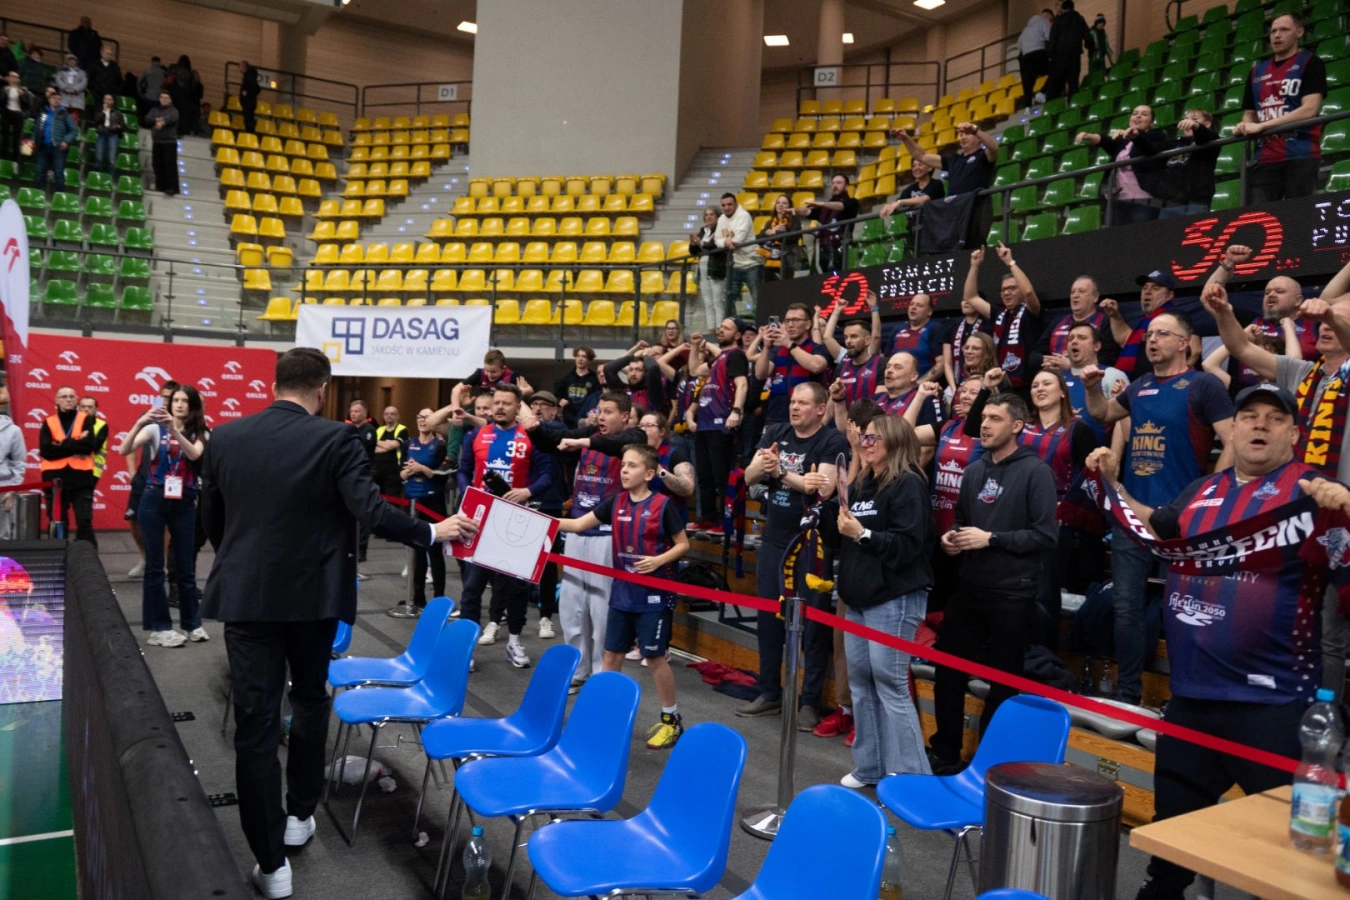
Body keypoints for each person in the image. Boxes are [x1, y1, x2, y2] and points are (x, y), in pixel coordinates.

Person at [200, 348, 468, 900]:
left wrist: (246, 559)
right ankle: (300, 814)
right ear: (322, 389)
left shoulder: (224, 437)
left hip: (247, 597)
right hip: (313, 599)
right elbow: (370, 511)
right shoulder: (337, 438)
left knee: (255, 727)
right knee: (309, 700)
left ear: (275, 383)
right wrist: (431, 533)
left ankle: (271, 864)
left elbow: (212, 521)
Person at [1083, 385, 1350, 900]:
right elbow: (1153, 529)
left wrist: (1349, 513)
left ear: (1294, 435)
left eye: (1274, 418)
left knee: (1290, 860)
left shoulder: (1314, 494)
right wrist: (1113, 482)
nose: (1259, 425)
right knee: (1170, 845)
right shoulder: (1201, 490)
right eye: (1249, 415)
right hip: (1191, 700)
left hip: (1273, 705)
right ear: (1233, 428)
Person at [1199, 283, 1350, 699]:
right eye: (1323, 320)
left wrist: (1328, 313)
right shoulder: (1303, 372)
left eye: (1339, 319)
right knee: (1273, 611)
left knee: (1329, 634)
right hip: (1290, 511)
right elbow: (1240, 349)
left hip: (1340, 515)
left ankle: (1323, 721)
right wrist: (1224, 313)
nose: (1325, 325)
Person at [1081, 312, 1236, 705]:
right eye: (1149, 334)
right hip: (1131, 514)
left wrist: (1209, 495)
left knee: (1186, 611)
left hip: (1180, 520)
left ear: (1184, 343)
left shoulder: (1203, 385)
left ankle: (1184, 699)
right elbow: (1102, 414)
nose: (1151, 340)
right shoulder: (1140, 386)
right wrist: (1092, 389)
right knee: (1125, 608)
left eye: (1162, 334)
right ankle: (1127, 695)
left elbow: (1233, 440)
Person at [929, 392, 1058, 772]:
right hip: (970, 587)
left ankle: (988, 764)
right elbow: (962, 522)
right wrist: (952, 539)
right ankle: (945, 752)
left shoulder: (1036, 472)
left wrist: (993, 539)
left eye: (994, 419)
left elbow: (1046, 535)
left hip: (1012, 592)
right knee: (947, 669)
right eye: (983, 417)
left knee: (1003, 683)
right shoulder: (973, 470)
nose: (984, 425)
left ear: (1017, 426)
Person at [821, 414, 934, 787]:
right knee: (861, 683)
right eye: (863, 438)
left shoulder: (909, 484)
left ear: (895, 442)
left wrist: (863, 534)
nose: (864, 443)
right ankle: (870, 766)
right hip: (858, 599)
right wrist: (824, 504)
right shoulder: (863, 483)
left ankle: (913, 778)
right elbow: (839, 536)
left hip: (894, 598)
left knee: (890, 684)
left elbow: (909, 546)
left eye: (872, 438)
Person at [558, 443, 690, 748]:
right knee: (611, 655)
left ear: (649, 474)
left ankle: (671, 720)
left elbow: (683, 544)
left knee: (654, 658)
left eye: (632, 466)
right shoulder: (615, 502)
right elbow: (577, 524)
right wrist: (538, 520)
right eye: (623, 465)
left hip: (654, 595)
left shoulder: (663, 505)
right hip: (622, 593)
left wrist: (658, 561)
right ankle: (605, 715)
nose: (625, 471)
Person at [741, 383, 846, 730]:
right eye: (793, 402)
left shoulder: (831, 440)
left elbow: (823, 489)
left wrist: (779, 473)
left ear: (821, 409)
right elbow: (749, 476)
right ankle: (770, 692)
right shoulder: (776, 432)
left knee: (813, 624)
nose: (794, 407)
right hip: (774, 538)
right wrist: (773, 470)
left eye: (803, 403)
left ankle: (809, 701)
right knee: (768, 619)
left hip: (813, 543)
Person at [522, 392, 645, 687]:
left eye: (608, 411)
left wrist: (582, 442)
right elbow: (554, 441)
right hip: (578, 529)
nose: (601, 416)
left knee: (601, 610)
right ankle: (578, 671)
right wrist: (534, 429)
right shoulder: (589, 435)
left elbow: (614, 444)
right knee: (572, 606)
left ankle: (602, 675)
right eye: (599, 410)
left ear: (625, 416)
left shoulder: (635, 439)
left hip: (608, 535)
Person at [456, 384, 552, 668]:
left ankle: (514, 641)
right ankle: (466, 648)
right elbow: (462, 471)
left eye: (506, 403)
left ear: (517, 407)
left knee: (516, 588)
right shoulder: (476, 435)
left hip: (515, 522)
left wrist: (528, 491)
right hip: (480, 521)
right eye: (496, 402)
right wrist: (469, 495)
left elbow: (548, 475)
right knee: (471, 587)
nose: (499, 407)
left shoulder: (531, 437)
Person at [119, 385, 209, 647]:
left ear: (193, 406)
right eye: (175, 400)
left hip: (185, 500)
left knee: (185, 566)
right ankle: (159, 629)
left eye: (185, 401)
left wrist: (174, 431)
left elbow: (194, 453)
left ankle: (192, 623)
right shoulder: (153, 429)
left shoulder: (202, 432)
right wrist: (140, 423)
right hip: (154, 498)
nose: (179, 404)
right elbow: (124, 449)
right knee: (155, 566)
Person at [1021, 370, 1098, 643]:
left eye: (1047, 383)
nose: (1040, 388)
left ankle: (1043, 652)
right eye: (1035, 384)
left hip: (1057, 521)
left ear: (1063, 392)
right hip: (1019, 515)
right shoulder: (1020, 426)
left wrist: (1067, 509)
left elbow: (1090, 479)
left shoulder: (1078, 429)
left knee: (1046, 593)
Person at [1205, 243, 1323, 389]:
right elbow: (1211, 300)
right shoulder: (1250, 322)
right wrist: (1228, 262)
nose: (1271, 295)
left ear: (1298, 300)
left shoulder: (1315, 325)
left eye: (1279, 291)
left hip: (1297, 395)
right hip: (1248, 395)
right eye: (1267, 292)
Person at [1237, 12, 1326, 203]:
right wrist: (1244, 125)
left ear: (1299, 32)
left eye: (1284, 29)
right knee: (1260, 217)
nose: (1277, 35)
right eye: (1273, 31)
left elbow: (1309, 110)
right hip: (1265, 157)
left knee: (1297, 215)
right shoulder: (1256, 72)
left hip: (1301, 153)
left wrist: (1263, 125)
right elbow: (1249, 114)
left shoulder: (1311, 63)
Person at [893, 121, 998, 251]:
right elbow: (921, 156)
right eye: (961, 135)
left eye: (967, 134)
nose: (963, 138)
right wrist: (905, 138)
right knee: (956, 249)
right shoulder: (953, 160)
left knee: (975, 247)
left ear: (978, 138)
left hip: (977, 207)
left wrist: (975, 129)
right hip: (955, 211)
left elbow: (994, 148)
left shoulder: (983, 155)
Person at [687, 321, 749, 531]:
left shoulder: (736, 355)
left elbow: (742, 384)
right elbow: (694, 369)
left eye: (727, 328)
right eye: (721, 327)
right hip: (704, 424)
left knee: (721, 476)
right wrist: (694, 346)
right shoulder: (718, 358)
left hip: (721, 422)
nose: (721, 330)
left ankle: (725, 520)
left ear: (738, 335)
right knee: (704, 476)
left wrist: (736, 411)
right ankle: (707, 518)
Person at [963, 244, 1043, 397]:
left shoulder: (1031, 311)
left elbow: (1028, 292)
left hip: (1027, 386)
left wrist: (1010, 262)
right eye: (1004, 290)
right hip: (1001, 384)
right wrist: (974, 266)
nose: (1006, 293)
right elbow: (970, 297)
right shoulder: (999, 313)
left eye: (1012, 288)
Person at [1076, 105, 1169, 226]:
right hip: (1119, 200)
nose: (1138, 116)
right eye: (1135, 113)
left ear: (1151, 123)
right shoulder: (1125, 141)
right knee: (1117, 236)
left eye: (1144, 114)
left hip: (1145, 200)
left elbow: (1149, 149)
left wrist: (1136, 136)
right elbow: (1107, 142)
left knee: (1141, 236)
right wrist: (1089, 136)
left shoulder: (1157, 135)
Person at [38, 386, 102, 545]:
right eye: (64, 396)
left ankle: (88, 556)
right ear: (56, 400)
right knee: (57, 522)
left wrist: (59, 444)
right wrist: (75, 442)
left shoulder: (85, 419)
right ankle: (57, 554)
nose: (68, 399)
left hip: (81, 478)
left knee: (84, 521)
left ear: (76, 400)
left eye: (71, 396)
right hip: (54, 479)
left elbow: (88, 446)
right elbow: (46, 451)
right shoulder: (49, 422)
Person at [400, 409, 448, 614]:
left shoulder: (440, 446)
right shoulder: (408, 444)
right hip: (413, 501)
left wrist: (422, 469)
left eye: (427, 417)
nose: (423, 421)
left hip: (433, 502)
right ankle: (417, 597)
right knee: (416, 550)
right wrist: (409, 471)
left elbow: (443, 477)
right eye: (420, 417)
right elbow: (400, 474)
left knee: (435, 552)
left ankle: (439, 598)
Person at [755, 303, 829, 427]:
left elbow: (816, 366)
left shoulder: (817, 348)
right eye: (787, 320)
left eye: (796, 320)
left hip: (807, 418)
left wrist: (789, 344)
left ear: (808, 324)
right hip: (776, 416)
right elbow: (760, 374)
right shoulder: (777, 350)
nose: (790, 325)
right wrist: (767, 348)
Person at [1035, 275, 1120, 371]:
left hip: (1090, 376)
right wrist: (1047, 361)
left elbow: (1110, 357)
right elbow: (1034, 354)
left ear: (1095, 297)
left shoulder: (1105, 322)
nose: (1075, 295)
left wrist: (1073, 365)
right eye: (1072, 292)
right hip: (1054, 375)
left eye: (1081, 291)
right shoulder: (1057, 322)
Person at [820, 291, 883, 408]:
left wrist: (874, 309)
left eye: (854, 336)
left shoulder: (875, 360)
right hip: (844, 417)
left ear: (867, 341)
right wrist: (837, 310)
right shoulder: (843, 361)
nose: (848, 341)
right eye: (845, 337)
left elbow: (876, 336)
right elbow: (827, 337)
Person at [1157, 108, 1220, 219]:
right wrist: (1137, 137)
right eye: (1186, 119)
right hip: (1170, 203)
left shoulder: (1211, 139)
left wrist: (1196, 127)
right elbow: (1152, 150)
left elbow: (1205, 137)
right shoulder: (1175, 143)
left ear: (1207, 124)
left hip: (1196, 201)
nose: (1188, 122)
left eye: (1194, 119)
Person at [794, 174, 861, 275]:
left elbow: (842, 206)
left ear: (846, 186)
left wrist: (822, 204)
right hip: (822, 248)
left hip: (841, 247)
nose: (835, 185)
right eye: (833, 183)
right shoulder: (825, 207)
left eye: (839, 183)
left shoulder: (852, 202)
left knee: (839, 277)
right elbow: (808, 212)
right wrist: (794, 210)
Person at [715, 193, 761, 316]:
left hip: (752, 264)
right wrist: (726, 242)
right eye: (723, 205)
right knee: (728, 300)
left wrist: (724, 242)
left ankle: (759, 326)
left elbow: (738, 240)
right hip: (734, 264)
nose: (726, 208)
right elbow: (717, 240)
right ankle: (734, 326)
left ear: (735, 204)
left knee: (758, 301)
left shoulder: (744, 216)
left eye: (729, 204)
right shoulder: (721, 219)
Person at [452, 349, 532, 409]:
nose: (489, 375)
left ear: (503, 369)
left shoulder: (512, 376)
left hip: (503, 408)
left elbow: (530, 390)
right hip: (484, 408)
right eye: (486, 370)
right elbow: (456, 389)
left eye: (493, 372)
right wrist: (456, 408)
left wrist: (523, 391)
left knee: (520, 404)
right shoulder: (480, 374)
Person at [1044, 0, 1091, 101]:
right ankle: (1072, 105)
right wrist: (1091, 47)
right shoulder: (1080, 19)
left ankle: (1054, 107)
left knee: (1056, 85)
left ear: (1063, 9)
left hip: (1059, 57)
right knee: (1073, 84)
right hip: (1074, 56)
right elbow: (1088, 37)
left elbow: (1053, 38)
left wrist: (1050, 54)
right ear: (1073, 8)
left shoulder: (1059, 20)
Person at [889, 292, 943, 377]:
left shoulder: (935, 329)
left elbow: (941, 363)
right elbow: (886, 360)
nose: (913, 307)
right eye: (911, 304)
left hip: (922, 383)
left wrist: (919, 383)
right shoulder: (897, 329)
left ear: (929, 312)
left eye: (919, 305)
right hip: (896, 382)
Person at [690, 206, 726, 331]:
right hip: (703, 269)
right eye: (706, 215)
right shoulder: (702, 231)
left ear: (718, 217)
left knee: (718, 301)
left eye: (712, 214)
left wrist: (701, 243)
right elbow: (693, 252)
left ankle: (720, 328)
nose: (708, 217)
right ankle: (711, 328)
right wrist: (693, 243)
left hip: (716, 269)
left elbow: (715, 245)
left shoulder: (721, 230)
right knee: (708, 301)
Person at [33, 91, 77, 191]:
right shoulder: (43, 113)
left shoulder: (65, 114)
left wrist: (66, 141)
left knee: (59, 172)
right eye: (54, 98)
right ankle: (40, 193)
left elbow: (74, 131)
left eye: (58, 99)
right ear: (49, 100)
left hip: (58, 147)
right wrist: (32, 140)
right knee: (40, 171)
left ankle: (60, 194)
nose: (56, 100)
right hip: (43, 146)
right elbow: (36, 128)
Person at [943, 296, 990, 389]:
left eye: (970, 300)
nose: (966, 302)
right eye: (963, 300)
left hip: (982, 381)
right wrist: (954, 388)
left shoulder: (989, 327)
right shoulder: (952, 328)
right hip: (955, 383)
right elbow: (947, 363)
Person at [759, 193, 805, 281]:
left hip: (788, 258)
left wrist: (775, 232)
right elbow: (759, 239)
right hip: (770, 258)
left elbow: (793, 238)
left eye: (784, 203)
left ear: (789, 206)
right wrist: (771, 232)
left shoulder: (795, 221)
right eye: (778, 203)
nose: (780, 205)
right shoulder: (769, 222)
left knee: (786, 285)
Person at [879, 157, 946, 217]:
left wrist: (899, 202)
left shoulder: (936, 184)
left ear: (930, 168)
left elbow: (924, 200)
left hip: (933, 225)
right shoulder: (909, 189)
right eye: (914, 166)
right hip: (914, 226)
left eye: (920, 165)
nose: (916, 168)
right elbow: (898, 202)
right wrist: (890, 205)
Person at [0, 377, 23, 540]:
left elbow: (18, 463)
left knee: (3, 537)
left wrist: (12, 490)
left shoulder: (13, 431)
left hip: (2, 490)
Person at [144, 90, 179, 196]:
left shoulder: (174, 111)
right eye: (162, 97)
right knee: (157, 165)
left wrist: (162, 122)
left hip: (169, 142)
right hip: (157, 141)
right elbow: (147, 118)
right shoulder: (154, 110)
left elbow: (170, 119)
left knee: (169, 165)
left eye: (166, 98)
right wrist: (157, 120)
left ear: (170, 100)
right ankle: (160, 186)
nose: (164, 99)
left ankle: (171, 187)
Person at [554, 347, 600, 427]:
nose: (580, 359)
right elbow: (557, 395)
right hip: (568, 419)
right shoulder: (567, 377)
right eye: (578, 356)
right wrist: (560, 401)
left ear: (589, 360)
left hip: (585, 419)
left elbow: (597, 398)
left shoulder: (594, 379)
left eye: (584, 356)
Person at [1017, 9, 1054, 107]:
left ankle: (1027, 105)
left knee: (1028, 83)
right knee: (1056, 69)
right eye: (1050, 18)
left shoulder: (1025, 29)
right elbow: (1049, 38)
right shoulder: (1044, 22)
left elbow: (1019, 44)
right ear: (1047, 15)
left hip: (1026, 57)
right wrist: (1051, 56)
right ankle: (1042, 92)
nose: (1050, 20)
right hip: (1039, 53)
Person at [372, 405, 409, 500]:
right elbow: (372, 448)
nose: (389, 416)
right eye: (386, 414)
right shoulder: (379, 430)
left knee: (392, 501)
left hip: (394, 472)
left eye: (392, 414)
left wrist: (379, 443)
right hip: (377, 471)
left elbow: (395, 445)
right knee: (377, 500)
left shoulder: (402, 429)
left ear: (398, 416)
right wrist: (388, 445)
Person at [91, 93, 127, 176]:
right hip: (102, 134)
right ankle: (98, 176)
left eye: (109, 99)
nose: (107, 101)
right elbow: (96, 121)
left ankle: (110, 177)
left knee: (111, 159)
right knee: (99, 157)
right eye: (105, 99)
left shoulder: (117, 113)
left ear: (113, 102)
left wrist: (118, 127)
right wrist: (103, 112)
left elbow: (123, 126)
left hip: (113, 135)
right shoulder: (99, 111)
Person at [0, 71, 30, 161]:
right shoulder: (3, 89)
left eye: (15, 77)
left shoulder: (23, 90)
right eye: (11, 76)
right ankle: (4, 160)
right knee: (5, 138)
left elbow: (27, 105)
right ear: (8, 78)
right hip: (7, 113)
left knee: (17, 140)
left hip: (18, 114)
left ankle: (16, 161)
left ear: (18, 79)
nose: (13, 78)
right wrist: (4, 93)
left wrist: (21, 95)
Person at [54, 53, 86, 123]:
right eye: (70, 60)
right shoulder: (61, 71)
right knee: (61, 117)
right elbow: (58, 80)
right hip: (64, 98)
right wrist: (65, 88)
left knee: (73, 118)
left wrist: (75, 89)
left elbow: (84, 82)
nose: (72, 62)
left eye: (73, 60)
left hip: (77, 98)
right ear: (67, 61)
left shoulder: (82, 72)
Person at [239, 60, 260, 134]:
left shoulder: (249, 76)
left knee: (248, 120)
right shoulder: (249, 76)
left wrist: (247, 93)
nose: (239, 68)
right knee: (248, 119)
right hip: (249, 102)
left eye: (240, 66)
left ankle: (250, 134)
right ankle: (250, 133)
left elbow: (255, 88)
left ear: (244, 67)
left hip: (248, 102)